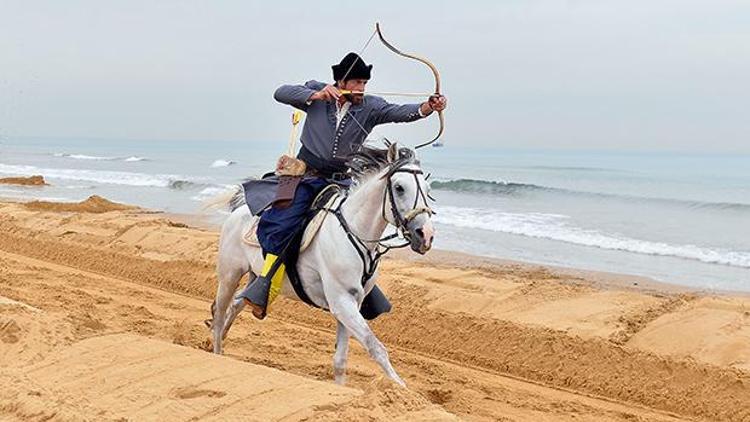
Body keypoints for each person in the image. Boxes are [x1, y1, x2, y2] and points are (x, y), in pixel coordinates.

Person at [237, 52, 447, 319]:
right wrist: (315, 95)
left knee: (361, 229)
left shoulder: (370, 106)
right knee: (282, 223)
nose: (361, 89)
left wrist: (428, 107)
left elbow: (401, 113)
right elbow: (281, 92)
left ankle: (363, 290)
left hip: (340, 180)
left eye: (364, 84)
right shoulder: (317, 96)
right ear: (341, 82)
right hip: (304, 176)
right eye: (357, 83)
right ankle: (263, 285)